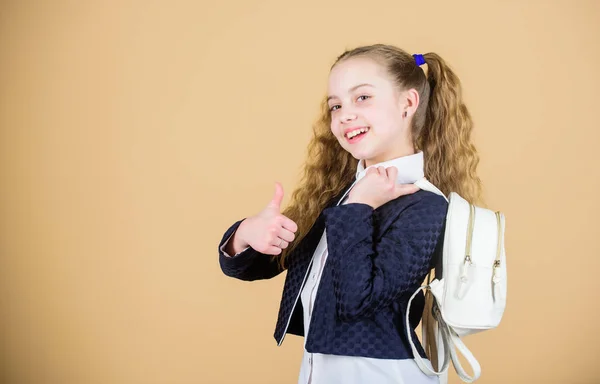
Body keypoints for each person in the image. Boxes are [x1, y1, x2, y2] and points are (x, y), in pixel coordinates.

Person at [217, 44, 483, 384]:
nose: (344, 115)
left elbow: (358, 300)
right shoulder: (337, 195)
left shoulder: (425, 205)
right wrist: (246, 235)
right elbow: (259, 266)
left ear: (408, 103)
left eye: (363, 98)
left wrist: (359, 207)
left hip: (381, 375)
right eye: (336, 105)